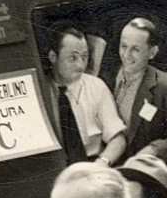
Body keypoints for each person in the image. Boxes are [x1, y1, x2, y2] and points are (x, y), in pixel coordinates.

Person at [109, 17, 167, 166]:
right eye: (123, 46)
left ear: (152, 52)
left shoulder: (166, 87)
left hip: (142, 171)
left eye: (135, 49)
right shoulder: (105, 78)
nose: (127, 55)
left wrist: (154, 150)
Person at [44, 22, 126, 166]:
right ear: (53, 56)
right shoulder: (42, 89)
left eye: (84, 57)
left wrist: (103, 162)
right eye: (73, 58)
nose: (80, 65)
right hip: (53, 170)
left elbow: (117, 138)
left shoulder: (96, 87)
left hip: (93, 165)